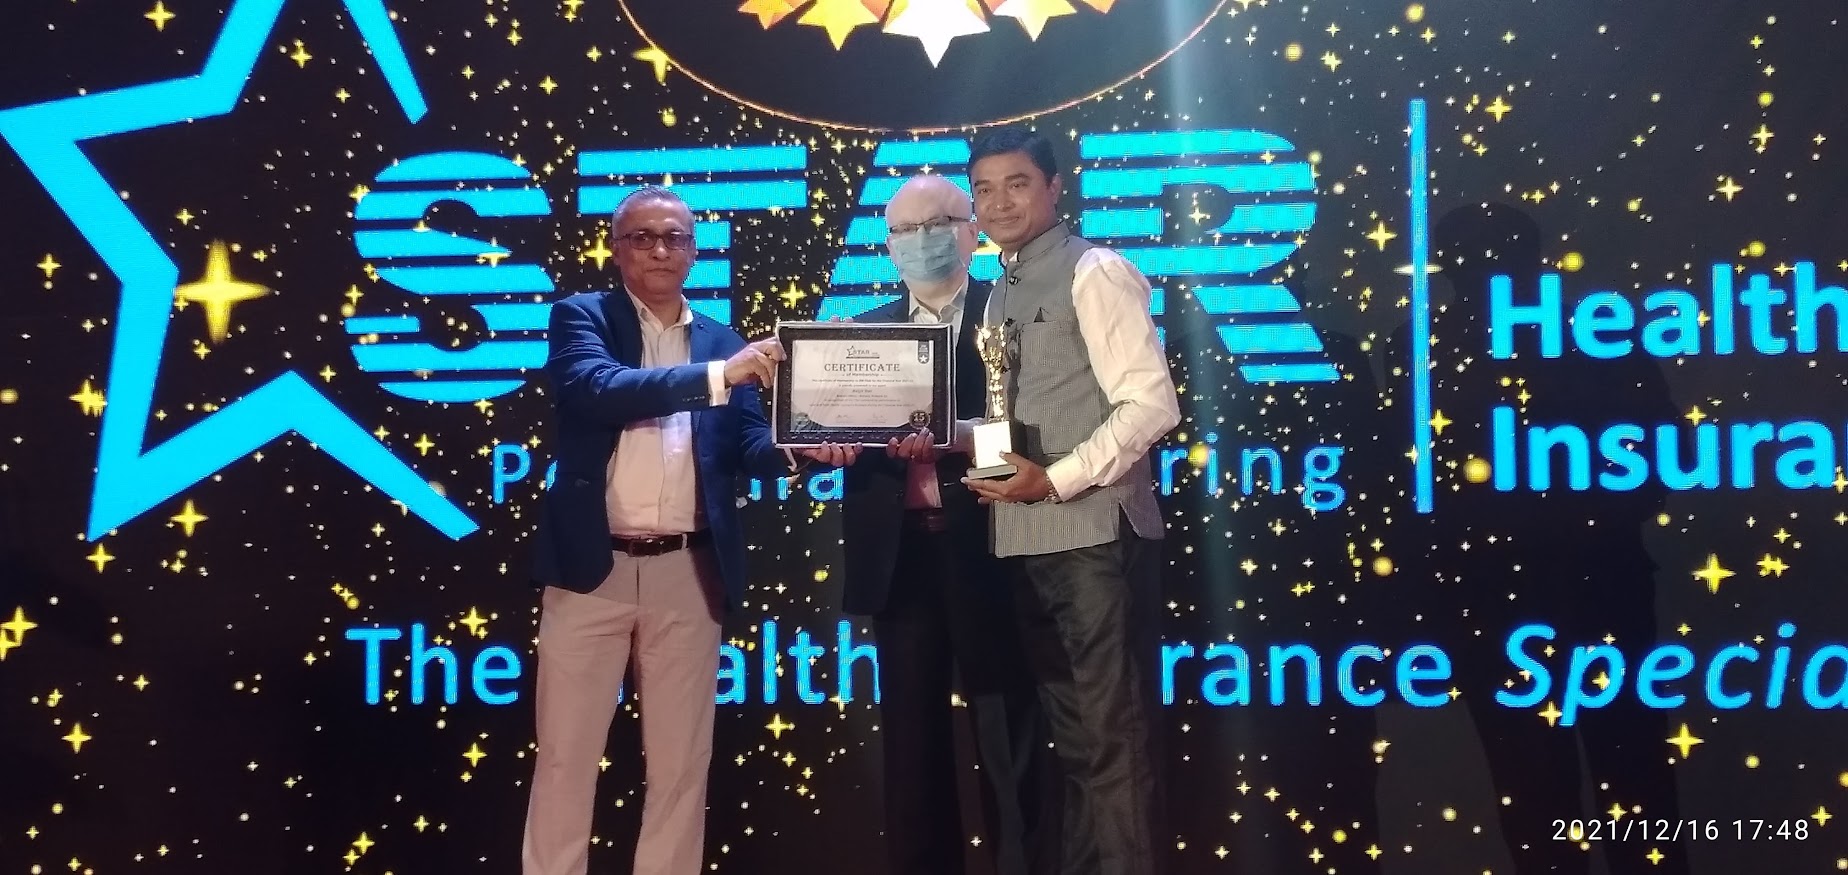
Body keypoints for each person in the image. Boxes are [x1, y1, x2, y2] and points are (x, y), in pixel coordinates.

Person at [522, 185, 836, 875]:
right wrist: (720, 375)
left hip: (689, 572)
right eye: (643, 237)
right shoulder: (582, 317)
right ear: (616, 247)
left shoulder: (722, 338)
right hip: (590, 569)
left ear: (695, 250)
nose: (660, 249)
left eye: (675, 237)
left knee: (681, 767)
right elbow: (601, 389)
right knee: (567, 760)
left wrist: (802, 448)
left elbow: (748, 444)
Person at [961, 127, 1179, 875]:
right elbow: (1003, 409)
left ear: (1055, 188)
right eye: (984, 188)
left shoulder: (1096, 271)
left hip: (1091, 538)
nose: (999, 202)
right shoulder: (997, 294)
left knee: (1110, 742)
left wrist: (1053, 478)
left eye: (1017, 183)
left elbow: (1150, 406)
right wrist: (971, 458)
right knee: (1078, 745)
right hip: (1023, 540)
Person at [837, 174, 1054, 875]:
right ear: (887, 244)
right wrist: (815, 440)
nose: (922, 240)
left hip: (993, 548)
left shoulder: (1010, 316)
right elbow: (825, 437)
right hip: (900, 561)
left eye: (939, 222)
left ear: (972, 231)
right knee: (912, 747)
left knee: (1008, 733)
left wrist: (958, 439)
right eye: (905, 229)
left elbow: (1032, 432)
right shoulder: (859, 335)